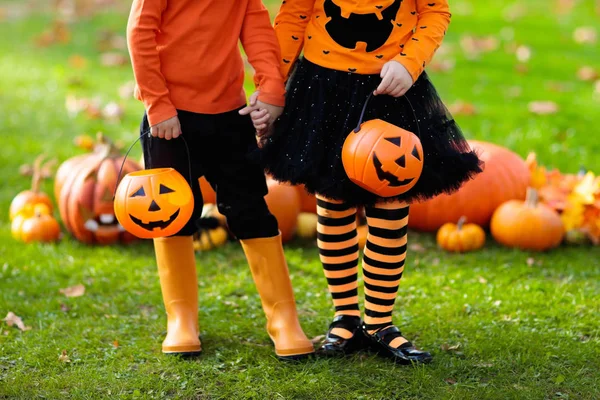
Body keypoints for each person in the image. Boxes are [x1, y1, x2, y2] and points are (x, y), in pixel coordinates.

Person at [244, 0, 483, 364]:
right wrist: (273, 90)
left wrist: (409, 62)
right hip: (323, 91)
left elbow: (436, 11)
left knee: (391, 203)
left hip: (392, 91)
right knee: (334, 205)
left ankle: (379, 322)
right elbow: (293, 16)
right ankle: (345, 317)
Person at [126, 0, 315, 360]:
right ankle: (181, 317)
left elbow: (258, 32)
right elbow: (140, 33)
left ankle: (283, 319)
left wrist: (271, 90)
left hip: (229, 116)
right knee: (171, 213)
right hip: (170, 121)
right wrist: (159, 105)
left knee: (251, 211)